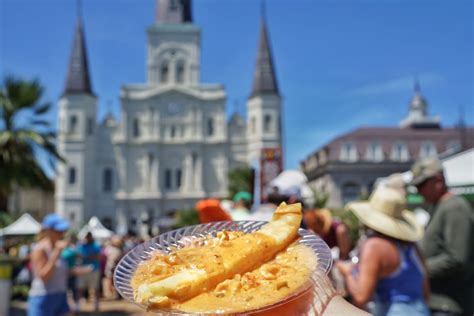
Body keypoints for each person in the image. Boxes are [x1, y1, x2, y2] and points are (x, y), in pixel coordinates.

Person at [336, 186, 430, 316]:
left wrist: (348, 272)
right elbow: (426, 292)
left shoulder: (374, 245)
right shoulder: (412, 247)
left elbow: (361, 296)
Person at [410, 157, 474, 316]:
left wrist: (418, 269)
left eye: (421, 185)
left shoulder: (454, 208)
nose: (418, 191)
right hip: (440, 302)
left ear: (438, 180)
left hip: (450, 304)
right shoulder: (440, 207)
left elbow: (457, 259)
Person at [28, 214, 70, 316]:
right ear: (48, 231)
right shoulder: (40, 249)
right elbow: (44, 277)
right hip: (43, 297)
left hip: (61, 295)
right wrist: (56, 253)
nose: (62, 234)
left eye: (63, 231)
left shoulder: (57, 247)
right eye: (59, 231)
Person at [78, 232, 101, 311]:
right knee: (80, 287)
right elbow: (78, 255)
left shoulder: (96, 245)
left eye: (89, 237)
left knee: (95, 288)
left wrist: (86, 256)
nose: (87, 238)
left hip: (94, 269)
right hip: (83, 269)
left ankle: (96, 304)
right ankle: (79, 305)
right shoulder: (82, 246)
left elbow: (97, 257)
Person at [61, 235, 80, 311]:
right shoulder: (61, 250)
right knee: (66, 291)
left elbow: (78, 256)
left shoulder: (73, 249)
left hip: (72, 272)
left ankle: (76, 306)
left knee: (74, 289)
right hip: (63, 274)